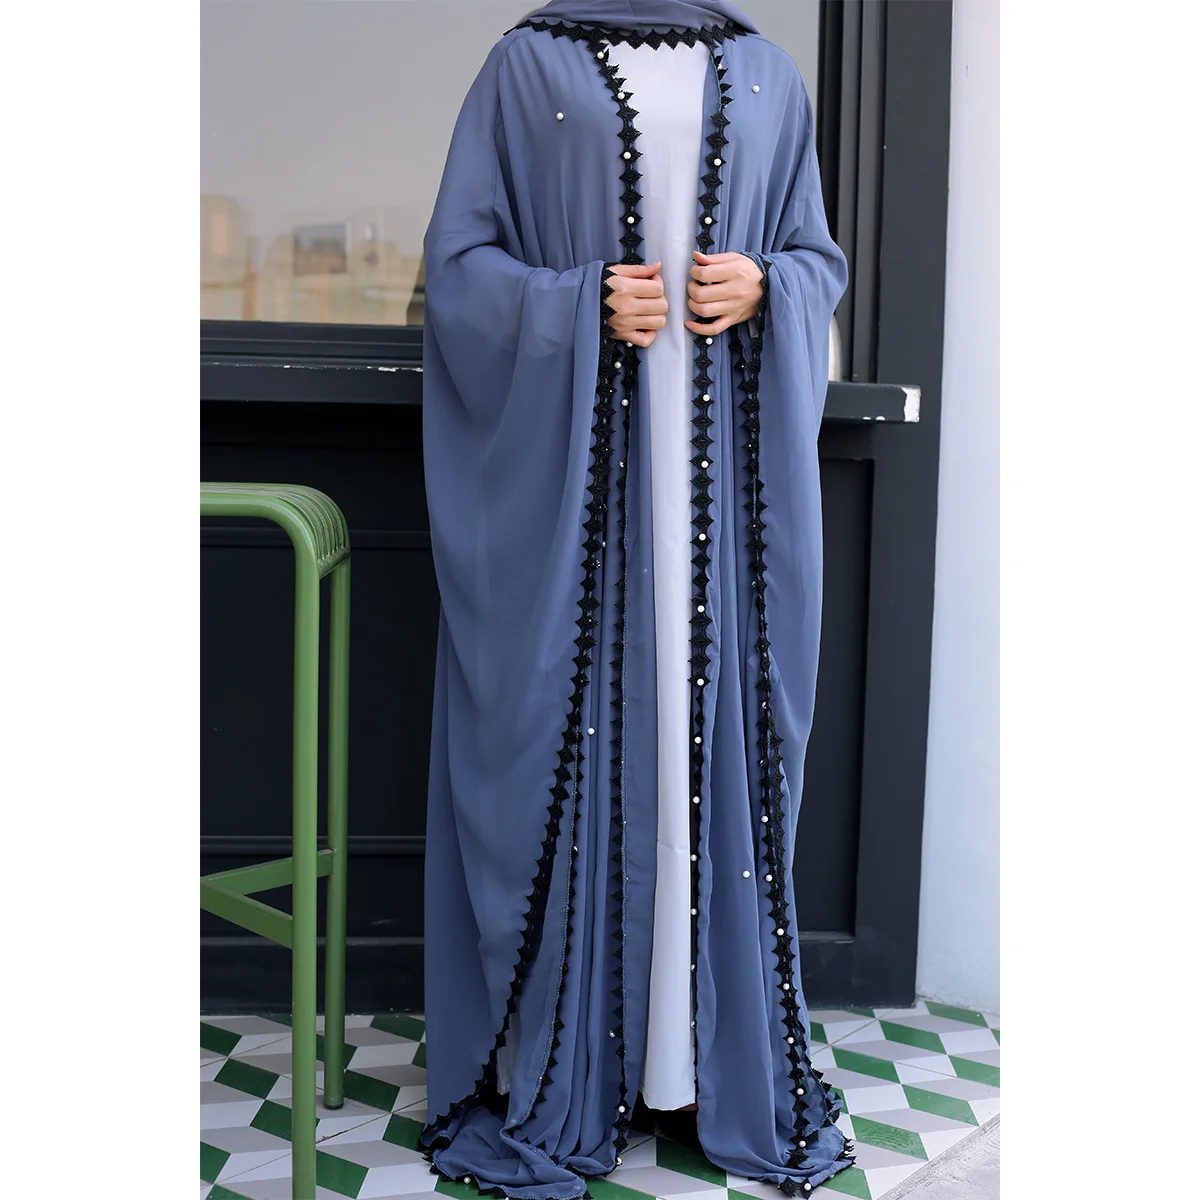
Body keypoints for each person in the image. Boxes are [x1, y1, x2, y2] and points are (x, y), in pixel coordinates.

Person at [419, 2, 851, 1195]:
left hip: (723, 501)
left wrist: (767, 284)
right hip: (586, 497)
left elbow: (817, 255)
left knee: (709, 739)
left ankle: (700, 1069)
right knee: (596, 736)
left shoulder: (766, 71)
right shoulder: (525, 67)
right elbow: (456, 270)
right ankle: (580, 1065)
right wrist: (577, 302)